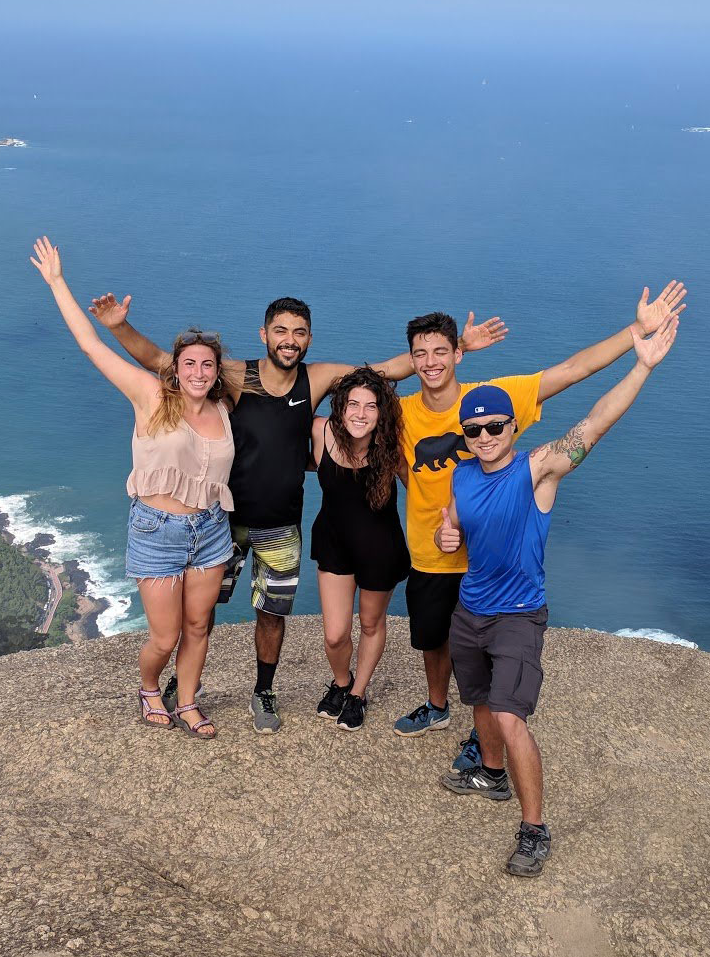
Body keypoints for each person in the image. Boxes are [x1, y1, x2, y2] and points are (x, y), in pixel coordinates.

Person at [88, 291, 504, 732]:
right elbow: (161, 361)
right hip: (221, 522)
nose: (290, 340)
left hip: (282, 524)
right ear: (264, 334)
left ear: (308, 339)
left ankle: (263, 690)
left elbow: (383, 372)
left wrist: (456, 353)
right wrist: (117, 326)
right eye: (281, 331)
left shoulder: (317, 378)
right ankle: (182, 684)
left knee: (272, 614)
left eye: (299, 333)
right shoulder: (233, 375)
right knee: (201, 610)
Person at [393, 281, 687, 766]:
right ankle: (437, 705)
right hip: (431, 550)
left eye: (441, 352)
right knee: (433, 639)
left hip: (492, 566)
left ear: (458, 355)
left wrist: (637, 331)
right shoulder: (401, 413)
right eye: (419, 355)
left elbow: (572, 372)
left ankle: (480, 737)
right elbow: (360, 397)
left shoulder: (492, 399)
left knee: (482, 655)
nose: (430, 363)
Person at [436, 311, 681, 877]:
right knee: (477, 699)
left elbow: (592, 425)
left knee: (510, 714)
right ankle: (490, 774)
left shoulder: (537, 470)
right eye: (474, 431)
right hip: (470, 610)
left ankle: (534, 829)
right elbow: (453, 528)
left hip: (518, 616)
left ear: (512, 429)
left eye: (496, 427)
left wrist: (641, 368)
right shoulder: (463, 474)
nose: (485, 437)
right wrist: (445, 534)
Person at [30, 236, 233, 739]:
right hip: (157, 529)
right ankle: (148, 685)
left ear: (216, 371)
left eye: (208, 365)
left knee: (199, 627)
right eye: (189, 363)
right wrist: (58, 283)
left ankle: (187, 700)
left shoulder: (225, 413)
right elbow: (91, 345)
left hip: (211, 529)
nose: (199, 372)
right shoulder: (149, 396)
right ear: (175, 368)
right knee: (164, 637)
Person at [309, 366, 410, 731]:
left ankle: (358, 694)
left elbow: (423, 490)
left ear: (381, 413)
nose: (361, 413)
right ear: (341, 406)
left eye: (370, 406)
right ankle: (340, 683)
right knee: (335, 634)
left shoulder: (392, 450)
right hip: (334, 543)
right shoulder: (320, 431)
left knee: (370, 623)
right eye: (353, 404)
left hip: (380, 549)